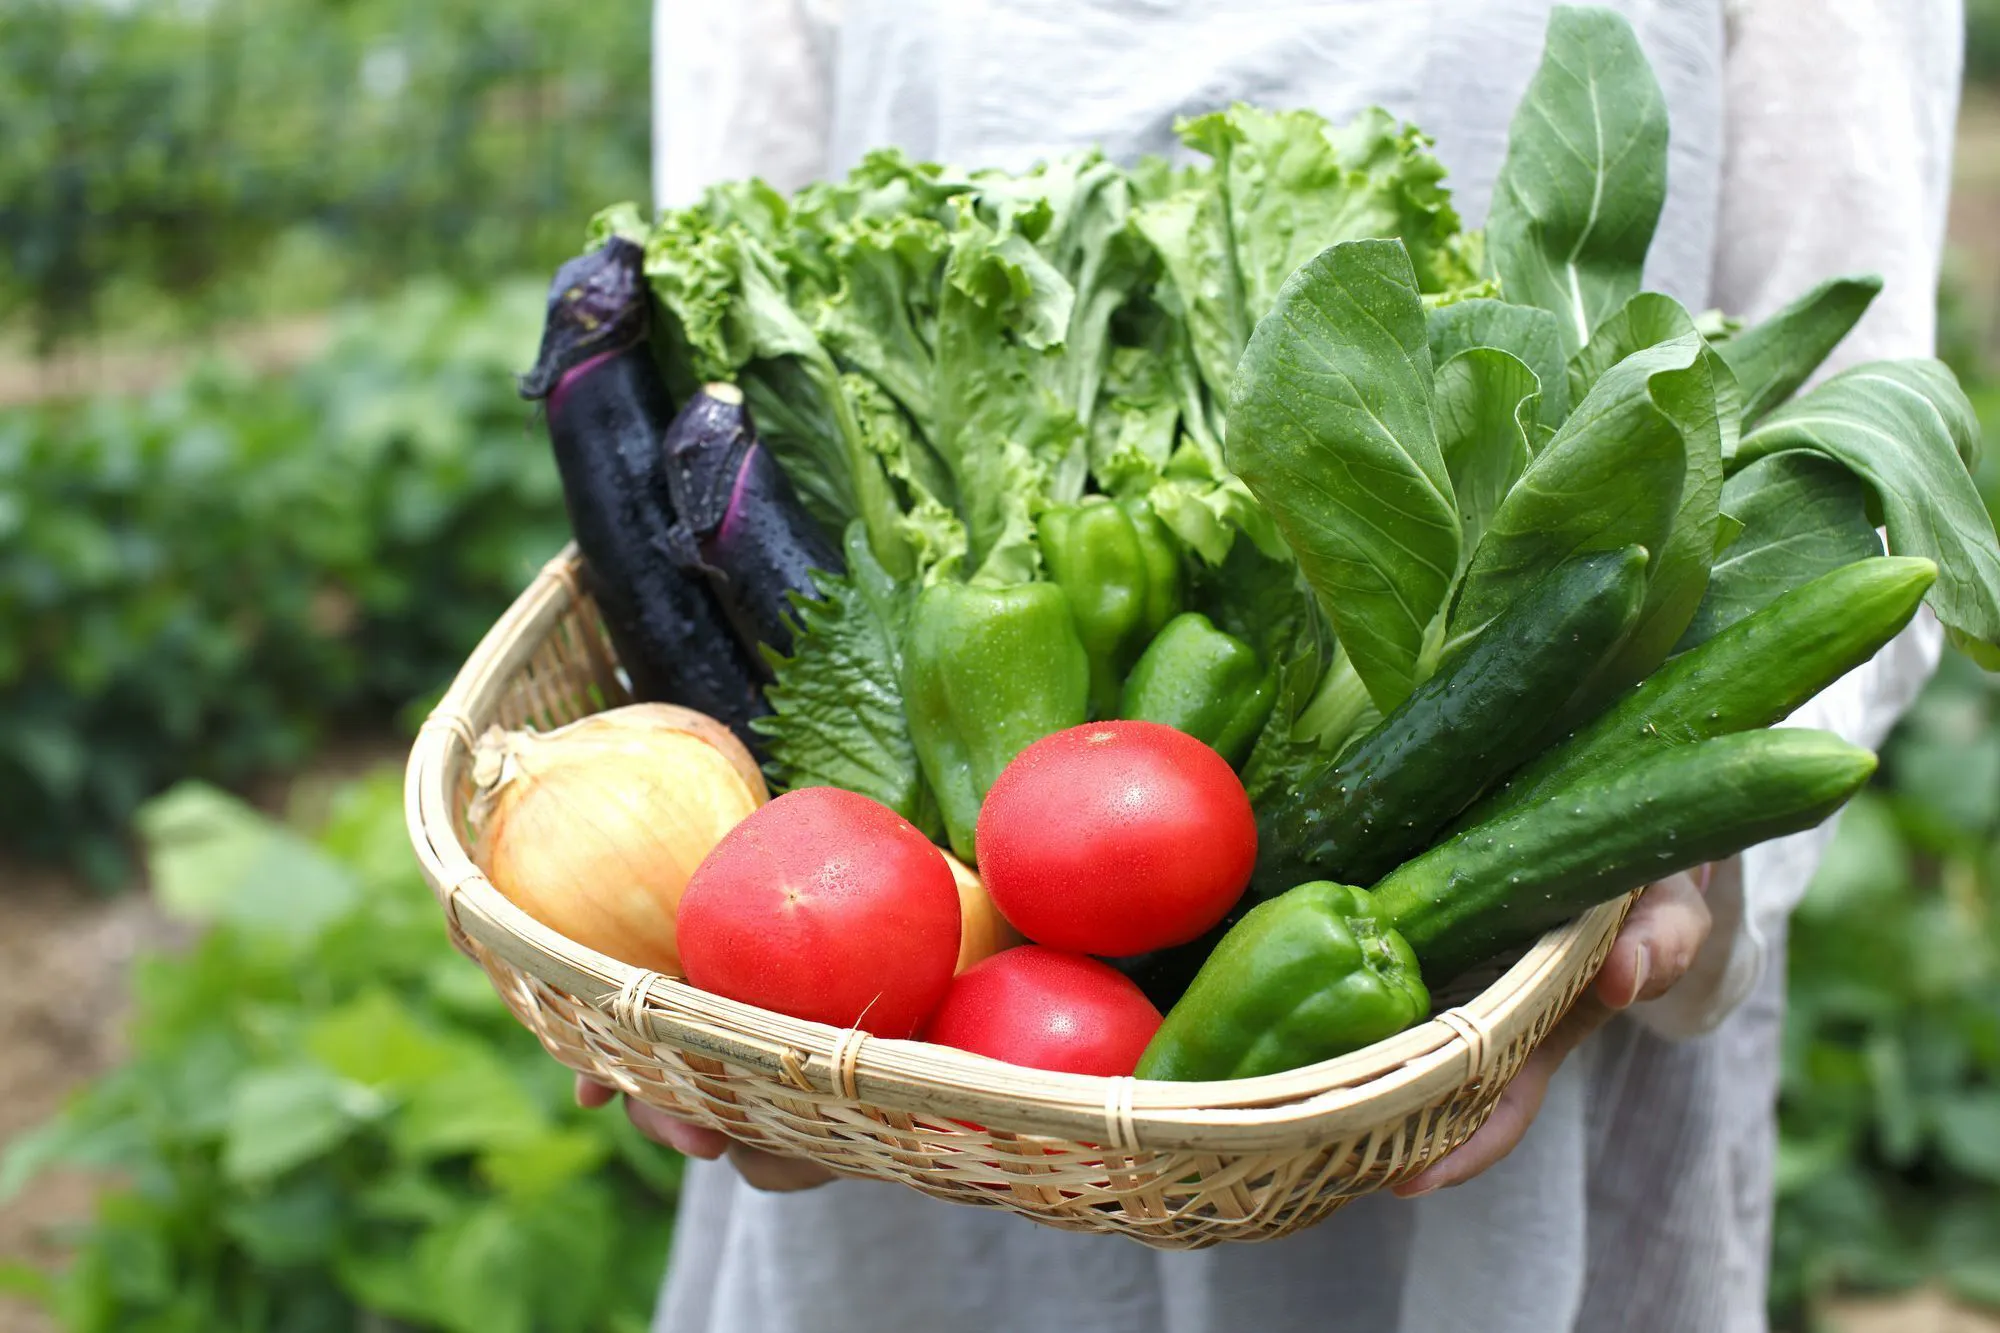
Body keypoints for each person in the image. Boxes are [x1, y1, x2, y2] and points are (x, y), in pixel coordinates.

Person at [581, 2, 1963, 1329]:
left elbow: (1852, 458)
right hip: (897, 1086)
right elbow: (728, 341)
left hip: (1487, 1053)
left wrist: (1663, 859)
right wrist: (713, 992)